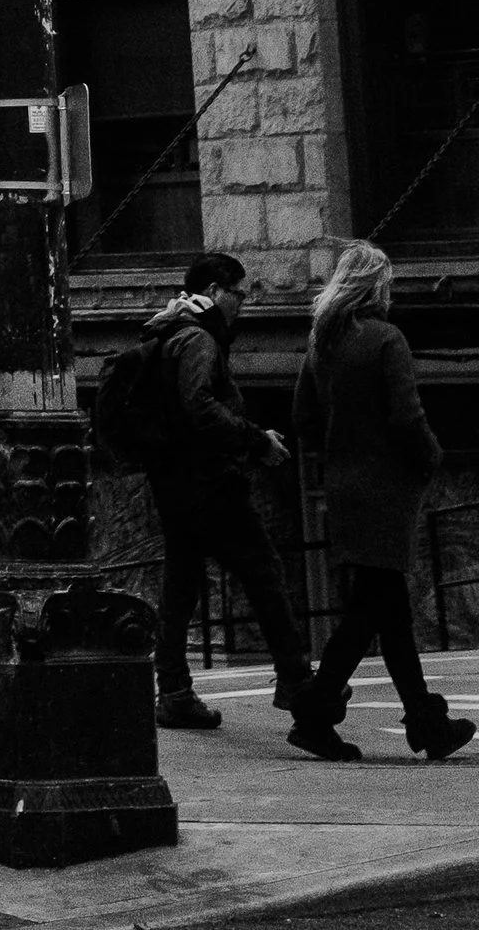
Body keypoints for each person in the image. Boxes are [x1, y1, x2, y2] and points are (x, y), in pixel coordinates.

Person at [292, 242, 477, 764]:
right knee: (371, 610)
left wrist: (340, 449)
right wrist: (431, 458)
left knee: (387, 611)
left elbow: (304, 418)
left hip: (345, 488)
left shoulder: (320, 342)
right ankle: (315, 713)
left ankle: (426, 722)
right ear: (378, 286)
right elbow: (407, 416)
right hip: (387, 490)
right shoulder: (385, 338)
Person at [137, 250, 321, 739]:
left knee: (181, 585)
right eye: (238, 292)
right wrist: (255, 439)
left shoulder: (168, 331)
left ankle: (173, 692)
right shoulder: (197, 338)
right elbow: (198, 406)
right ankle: (294, 679)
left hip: (175, 482)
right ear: (215, 292)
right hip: (208, 483)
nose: (243, 302)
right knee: (262, 570)